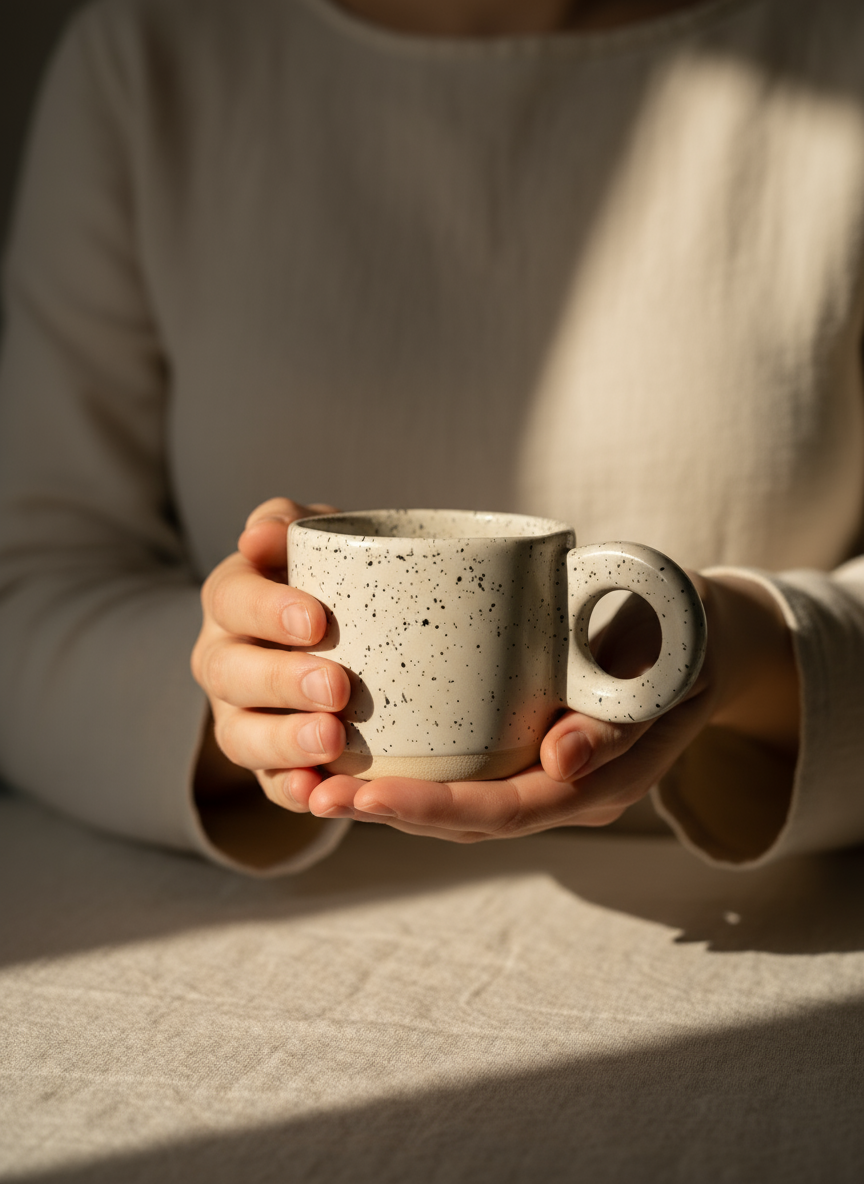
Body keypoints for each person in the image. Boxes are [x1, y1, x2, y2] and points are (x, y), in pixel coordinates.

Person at [0, 0, 862, 875]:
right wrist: (249, 709)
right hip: (250, 922)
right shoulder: (152, 53)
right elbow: (26, 589)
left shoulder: (838, 48)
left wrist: (750, 653)